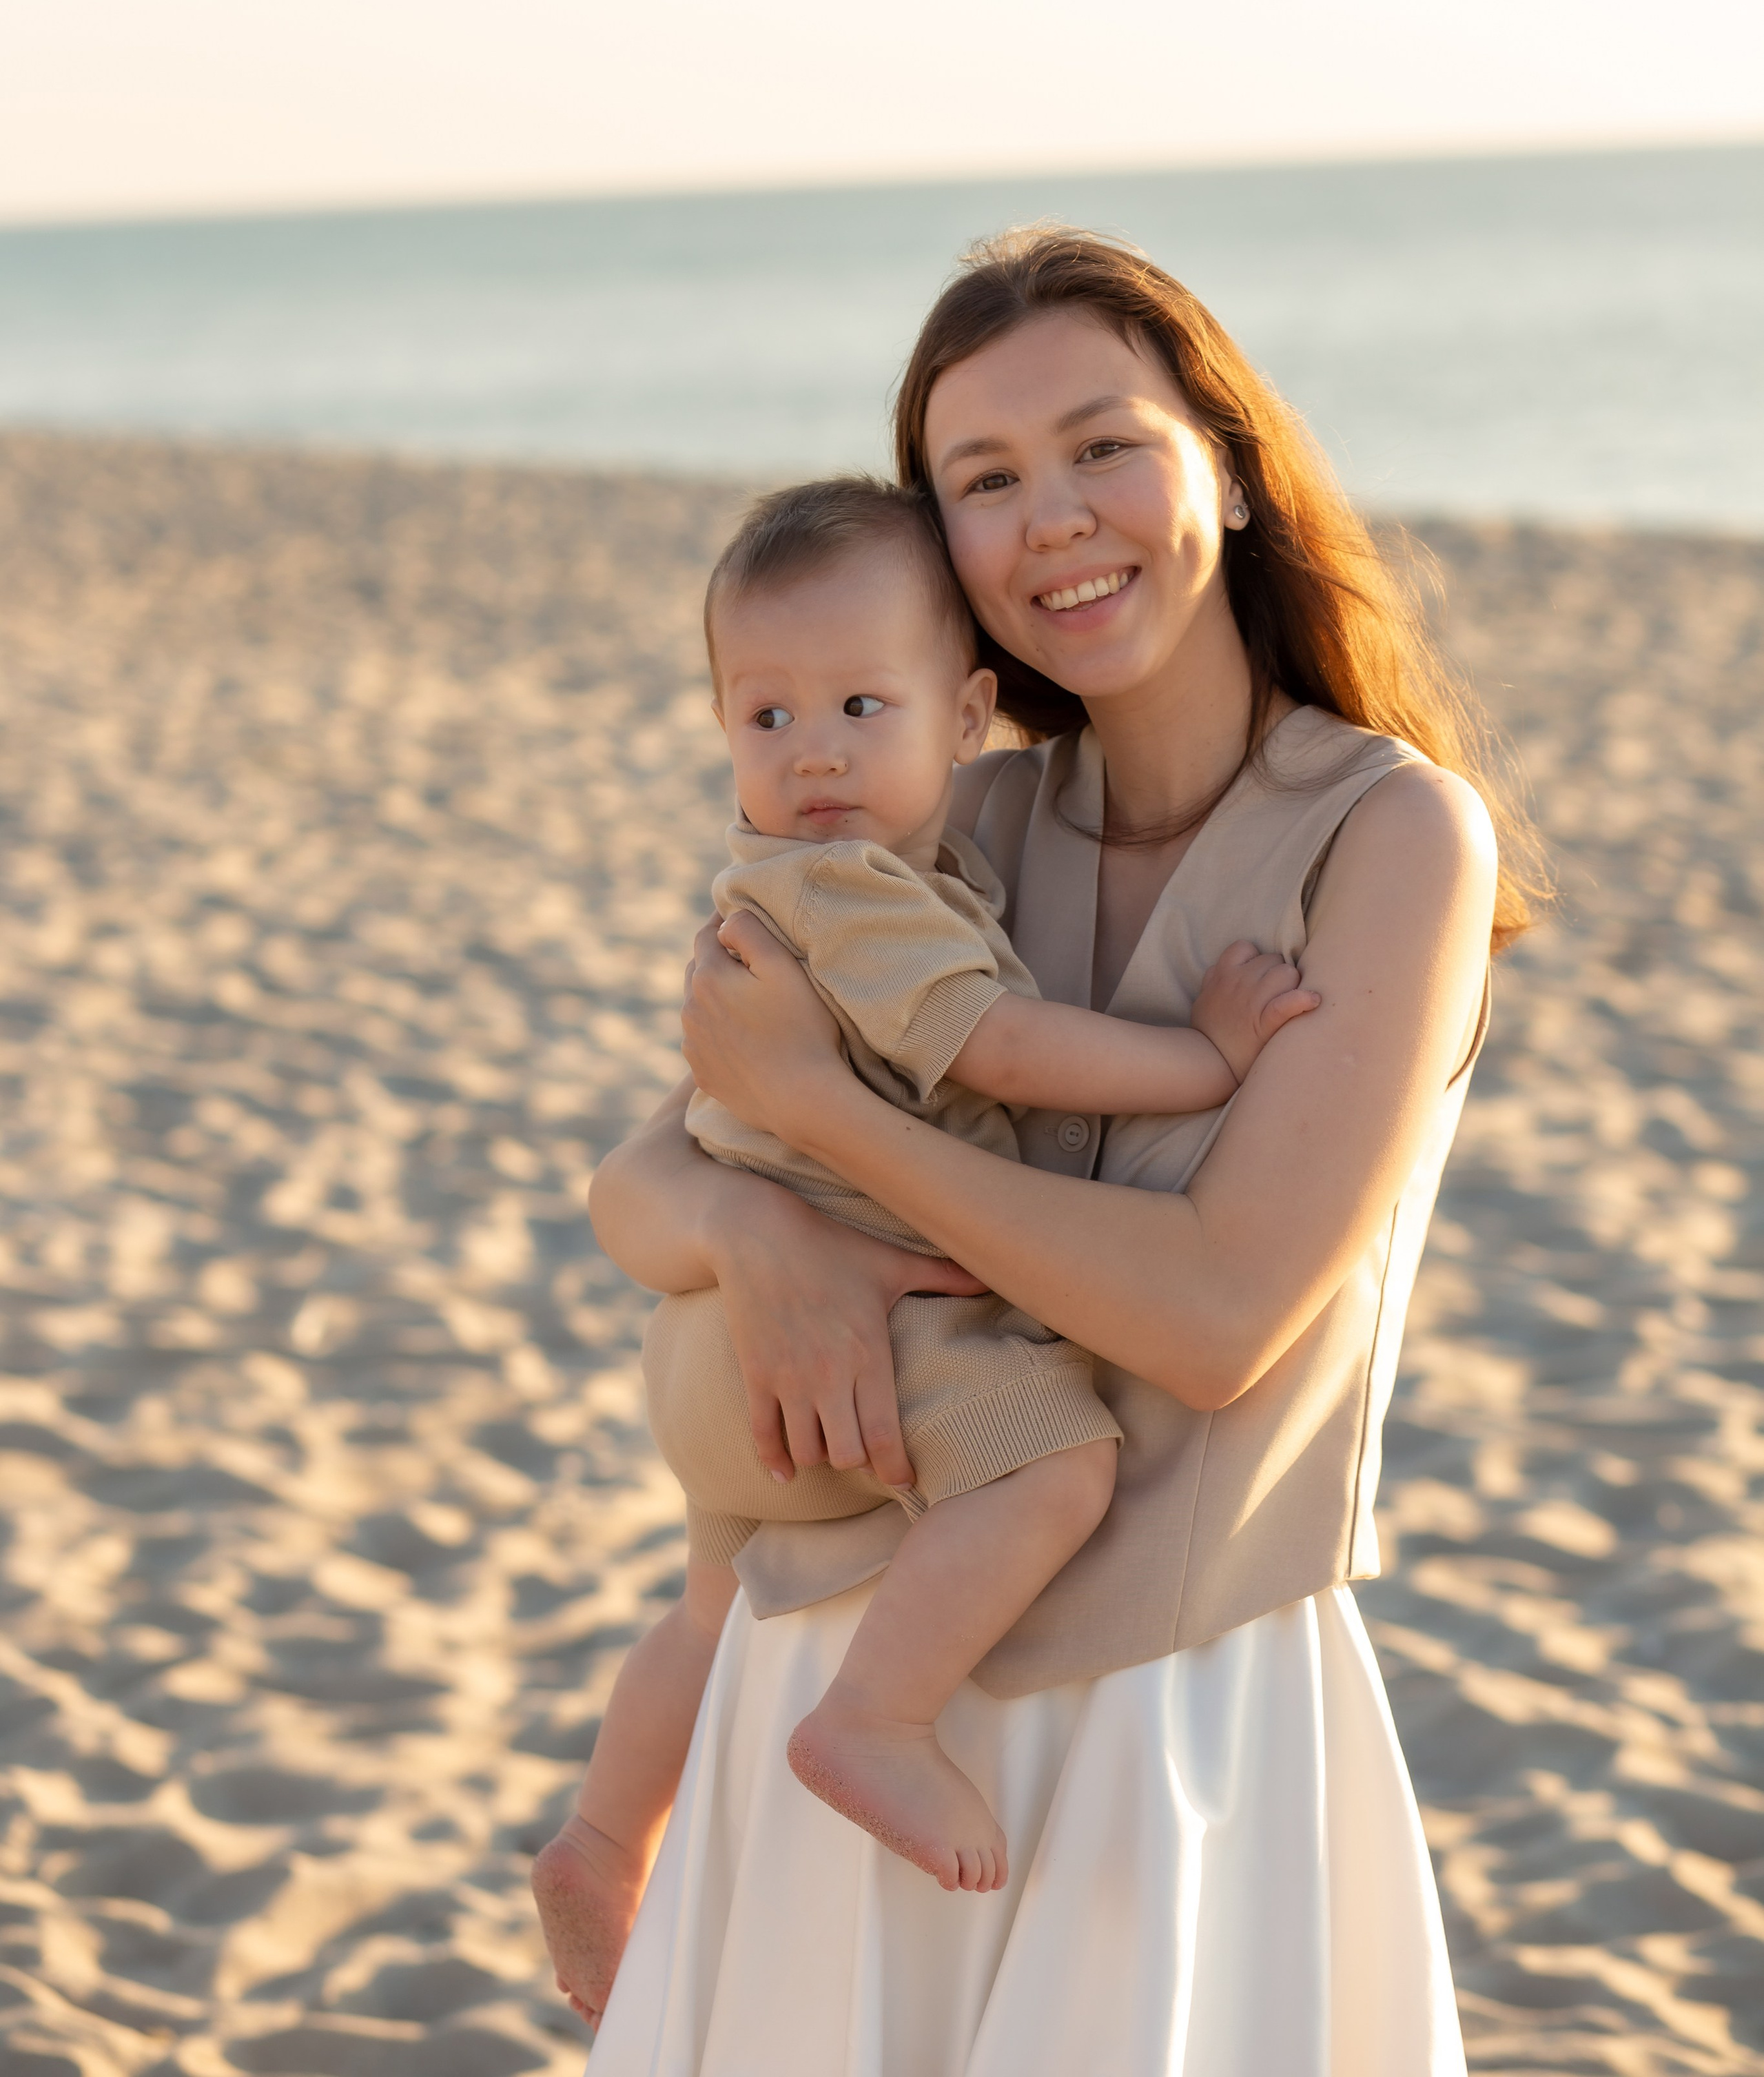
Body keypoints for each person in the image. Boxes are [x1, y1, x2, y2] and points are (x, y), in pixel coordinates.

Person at [580, 225, 1541, 2075]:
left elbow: (1216, 1320)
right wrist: (764, 1238)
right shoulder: (949, 819)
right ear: (938, 547)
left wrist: (830, 1126)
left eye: (1103, 446)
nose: (1055, 519)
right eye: (986, 480)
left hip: (1173, 1730)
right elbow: (643, 1184)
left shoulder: (1392, 836)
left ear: (1231, 470)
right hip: (842, 1693)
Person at [533, 473, 1318, 2020]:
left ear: (966, 716)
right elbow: (1002, 1045)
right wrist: (1206, 1059)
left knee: (707, 1614)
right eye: (766, 718)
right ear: (719, 728)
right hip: (862, 1342)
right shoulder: (850, 893)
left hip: (717, 1359)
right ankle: (877, 1718)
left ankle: (604, 1837)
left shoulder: (797, 888)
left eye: (856, 706)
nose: (814, 751)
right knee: (1054, 1468)